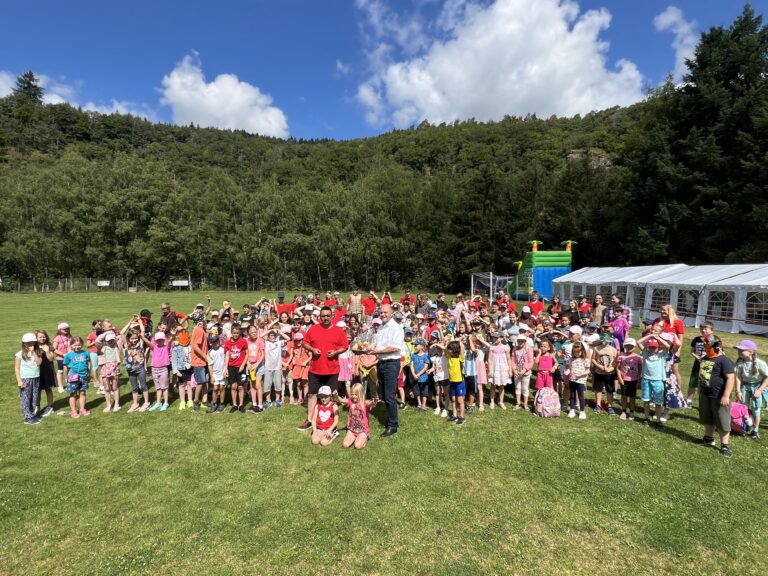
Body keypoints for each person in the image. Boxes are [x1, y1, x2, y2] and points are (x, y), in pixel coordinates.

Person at [298, 306, 349, 431]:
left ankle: (331, 421)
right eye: (323, 315)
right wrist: (312, 349)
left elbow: (345, 346)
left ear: (332, 316)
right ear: (320, 317)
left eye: (328, 315)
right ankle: (310, 420)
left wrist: (336, 352)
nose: (325, 317)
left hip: (332, 369)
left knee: (332, 395)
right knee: (312, 395)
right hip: (315, 369)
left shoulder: (338, 330)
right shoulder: (313, 329)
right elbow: (305, 343)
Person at [695, 334, 735, 458]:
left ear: (717, 347)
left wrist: (726, 395)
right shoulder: (706, 358)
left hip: (719, 396)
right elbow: (703, 374)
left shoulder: (724, 360)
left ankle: (725, 445)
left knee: (722, 420)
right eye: (706, 346)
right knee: (708, 418)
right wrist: (700, 387)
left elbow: (731, 378)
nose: (707, 348)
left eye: (709, 346)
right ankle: (708, 438)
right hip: (705, 394)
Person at [367, 303, 405, 436]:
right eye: (381, 312)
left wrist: (377, 351)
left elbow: (395, 347)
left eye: (385, 312)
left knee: (389, 395)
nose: (382, 314)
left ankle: (393, 425)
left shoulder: (396, 328)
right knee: (383, 393)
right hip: (382, 363)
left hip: (391, 364)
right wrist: (370, 348)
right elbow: (378, 345)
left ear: (391, 313)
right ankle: (389, 420)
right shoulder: (382, 327)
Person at [733, 339, 767, 441]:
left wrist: (760, 390)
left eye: (741, 350)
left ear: (751, 352)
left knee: (756, 409)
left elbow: (767, 377)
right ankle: (743, 427)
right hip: (745, 388)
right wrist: (738, 391)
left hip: (757, 388)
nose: (739, 352)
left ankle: (755, 430)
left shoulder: (760, 363)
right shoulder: (740, 362)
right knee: (744, 407)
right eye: (738, 350)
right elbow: (738, 378)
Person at [637, 330, 671, 427]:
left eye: (654, 347)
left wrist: (657, 338)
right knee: (646, 400)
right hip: (646, 379)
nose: (652, 349)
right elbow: (638, 342)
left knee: (658, 402)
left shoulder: (661, 354)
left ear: (658, 347)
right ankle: (646, 418)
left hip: (658, 380)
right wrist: (650, 336)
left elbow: (668, 346)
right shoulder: (645, 352)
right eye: (650, 347)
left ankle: (658, 420)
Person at [121, 319, 150, 413]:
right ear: (128, 338)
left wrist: (139, 321)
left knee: (144, 386)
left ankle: (146, 402)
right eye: (132, 338)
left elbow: (142, 331)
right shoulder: (126, 345)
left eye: (135, 338)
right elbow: (122, 333)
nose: (134, 340)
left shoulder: (140, 344)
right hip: (130, 370)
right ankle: (135, 404)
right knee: (134, 387)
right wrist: (129, 322)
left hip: (140, 369)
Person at [63, 336, 95, 418]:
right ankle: (73, 410)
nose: (77, 347)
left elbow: (89, 363)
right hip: (73, 376)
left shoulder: (86, 353)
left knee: (83, 393)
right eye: (75, 345)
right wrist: (66, 377)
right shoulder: (68, 355)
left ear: (82, 344)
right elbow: (65, 367)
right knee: (73, 394)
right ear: (71, 345)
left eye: (79, 345)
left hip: (84, 376)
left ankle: (82, 409)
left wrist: (89, 373)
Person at [15, 332, 42, 425]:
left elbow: (39, 363)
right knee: (26, 398)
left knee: (34, 397)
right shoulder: (19, 354)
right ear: (24, 343)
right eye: (28, 342)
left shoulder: (37, 352)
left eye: (32, 342)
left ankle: (32, 414)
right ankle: (28, 417)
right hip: (25, 378)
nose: (31, 344)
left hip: (36, 377)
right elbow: (17, 368)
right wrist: (19, 380)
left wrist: (34, 352)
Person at [339, 383, 376, 449]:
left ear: (360, 394)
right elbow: (341, 400)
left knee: (357, 446)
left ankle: (365, 437)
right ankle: (355, 438)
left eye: (356, 394)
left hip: (362, 430)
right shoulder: (350, 402)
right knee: (345, 445)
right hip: (352, 429)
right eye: (352, 394)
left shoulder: (364, 403)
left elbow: (370, 403)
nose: (353, 396)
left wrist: (374, 401)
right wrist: (336, 396)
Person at [686, 321, 713, 407]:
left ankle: (704, 403)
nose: (703, 330)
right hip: (697, 364)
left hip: (708, 365)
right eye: (701, 328)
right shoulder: (696, 339)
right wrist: (695, 356)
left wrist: (706, 356)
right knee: (692, 383)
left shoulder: (714, 339)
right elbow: (692, 351)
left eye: (706, 328)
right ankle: (689, 400)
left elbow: (716, 352)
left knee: (704, 384)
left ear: (711, 330)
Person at [262, 327, 290, 409]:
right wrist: (270, 330)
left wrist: (279, 332)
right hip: (268, 367)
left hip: (277, 367)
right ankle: (268, 401)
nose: (272, 336)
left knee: (278, 385)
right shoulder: (266, 342)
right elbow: (260, 335)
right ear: (268, 336)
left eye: (274, 335)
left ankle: (277, 400)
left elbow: (288, 338)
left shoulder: (279, 342)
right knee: (267, 385)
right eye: (271, 335)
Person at [224, 324, 249, 413]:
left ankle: (241, 404)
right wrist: (226, 368)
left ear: (240, 333)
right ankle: (234, 404)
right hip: (231, 367)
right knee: (233, 386)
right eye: (234, 333)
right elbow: (227, 355)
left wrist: (243, 365)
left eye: (238, 333)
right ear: (231, 333)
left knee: (240, 386)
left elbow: (247, 353)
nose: (236, 334)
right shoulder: (227, 343)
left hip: (240, 367)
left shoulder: (243, 341)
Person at [591, 332, 618, 415]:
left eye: (605, 341)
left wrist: (611, 369)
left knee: (609, 390)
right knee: (598, 389)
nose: (603, 342)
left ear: (609, 341)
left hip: (610, 373)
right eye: (602, 340)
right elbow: (593, 359)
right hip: (599, 372)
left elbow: (616, 362)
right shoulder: (596, 348)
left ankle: (609, 406)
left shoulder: (613, 350)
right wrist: (599, 366)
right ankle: (598, 405)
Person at [145, 331, 172, 412]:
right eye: (158, 340)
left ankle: (166, 403)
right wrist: (142, 337)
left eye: (161, 340)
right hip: (154, 370)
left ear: (164, 340)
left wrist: (173, 336)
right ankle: (158, 403)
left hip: (163, 369)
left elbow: (170, 341)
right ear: (155, 340)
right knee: (158, 388)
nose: (160, 341)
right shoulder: (154, 346)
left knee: (164, 388)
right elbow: (147, 342)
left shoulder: (166, 346)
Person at [617, 338, 642, 421]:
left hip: (634, 380)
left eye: (631, 346)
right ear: (624, 346)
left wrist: (639, 380)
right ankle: (624, 411)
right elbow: (617, 367)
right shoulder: (621, 356)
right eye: (627, 346)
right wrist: (620, 378)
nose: (629, 347)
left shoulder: (638, 357)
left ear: (635, 347)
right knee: (624, 396)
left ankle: (631, 411)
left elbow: (640, 369)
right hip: (624, 380)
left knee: (632, 397)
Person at [565, 341, 590, 419]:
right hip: (572, 380)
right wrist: (567, 371)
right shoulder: (571, 359)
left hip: (580, 381)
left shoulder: (585, 360)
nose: (576, 353)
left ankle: (582, 411)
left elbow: (587, 371)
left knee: (581, 396)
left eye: (578, 352)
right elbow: (569, 368)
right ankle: (571, 410)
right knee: (572, 395)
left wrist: (581, 374)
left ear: (582, 351)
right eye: (575, 352)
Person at [35, 330, 56, 418]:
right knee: (37, 389)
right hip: (36, 371)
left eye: (44, 336)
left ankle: (50, 407)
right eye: (40, 337)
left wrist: (47, 351)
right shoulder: (33, 346)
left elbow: (51, 359)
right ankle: (37, 406)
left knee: (48, 389)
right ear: (36, 338)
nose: (42, 338)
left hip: (47, 371)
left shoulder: (49, 346)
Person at [100, 332, 122, 413]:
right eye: (109, 340)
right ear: (105, 341)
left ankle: (116, 404)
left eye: (112, 340)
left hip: (114, 368)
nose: (111, 342)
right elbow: (97, 340)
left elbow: (121, 335)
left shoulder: (116, 347)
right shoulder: (103, 347)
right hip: (105, 368)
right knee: (107, 388)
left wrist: (114, 335)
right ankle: (108, 405)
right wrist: (107, 332)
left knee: (115, 387)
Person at [446, 340, 466, 425]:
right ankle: (454, 415)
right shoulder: (449, 357)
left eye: (450, 349)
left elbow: (462, 348)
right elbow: (445, 349)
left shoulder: (460, 358)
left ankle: (461, 417)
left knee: (460, 400)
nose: (448, 350)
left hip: (459, 382)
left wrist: (459, 341)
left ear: (454, 349)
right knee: (454, 400)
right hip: (452, 381)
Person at [511, 333, 534, 410]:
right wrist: (514, 369)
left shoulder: (528, 350)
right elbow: (513, 360)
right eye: (519, 341)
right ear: (517, 341)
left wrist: (524, 370)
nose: (520, 343)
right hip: (517, 372)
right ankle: (517, 403)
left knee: (525, 388)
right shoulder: (515, 349)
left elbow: (531, 361)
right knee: (517, 387)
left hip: (525, 373)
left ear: (525, 342)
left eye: (522, 341)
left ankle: (525, 404)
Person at [410, 338, 431, 411]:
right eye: (414, 345)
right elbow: (411, 365)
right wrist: (414, 375)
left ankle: (424, 405)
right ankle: (419, 404)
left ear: (422, 346)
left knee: (424, 392)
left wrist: (418, 375)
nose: (415, 346)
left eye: (416, 345)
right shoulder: (413, 355)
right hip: (415, 377)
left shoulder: (425, 356)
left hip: (423, 378)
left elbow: (426, 367)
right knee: (417, 391)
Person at [207, 335, 227, 413]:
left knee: (222, 388)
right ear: (211, 343)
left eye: (217, 341)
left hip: (222, 372)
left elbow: (226, 360)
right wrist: (211, 376)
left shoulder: (223, 350)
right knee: (215, 388)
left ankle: (222, 403)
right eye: (214, 342)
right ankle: (214, 403)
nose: (216, 343)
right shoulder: (210, 353)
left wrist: (226, 370)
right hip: (215, 374)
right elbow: (210, 365)